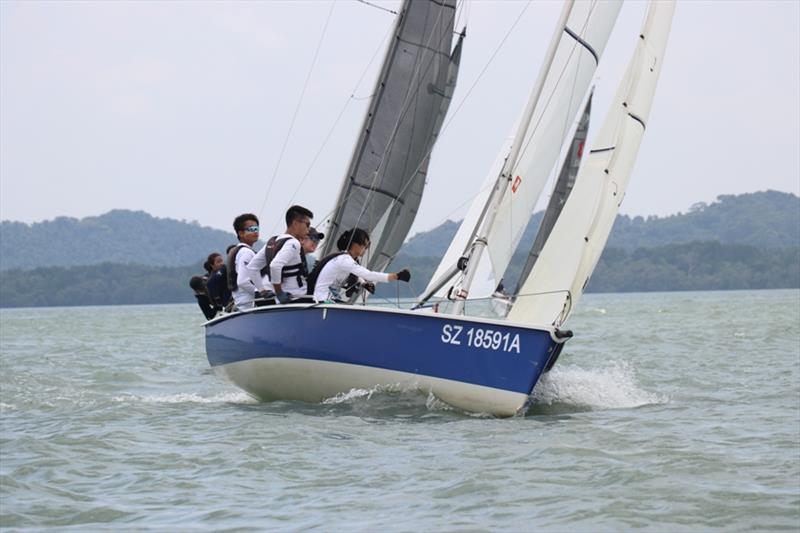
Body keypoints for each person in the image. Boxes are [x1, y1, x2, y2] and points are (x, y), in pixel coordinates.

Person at [308, 228, 410, 302]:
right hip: (322, 300)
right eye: (365, 245)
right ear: (355, 244)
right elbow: (368, 275)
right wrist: (396, 276)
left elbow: (355, 274)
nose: (365, 249)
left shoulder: (347, 259)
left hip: (330, 299)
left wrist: (364, 283)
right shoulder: (344, 259)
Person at [247, 205, 316, 304]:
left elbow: (252, 267)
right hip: (293, 300)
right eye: (307, 224)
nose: (308, 229)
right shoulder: (294, 243)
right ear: (296, 224)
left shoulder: (272, 241)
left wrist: (262, 291)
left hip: (270, 302)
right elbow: (275, 265)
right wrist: (279, 293)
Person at [226, 213, 266, 310]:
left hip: (242, 304)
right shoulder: (246, 252)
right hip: (248, 306)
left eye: (256, 229)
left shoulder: (238, 250)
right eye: (251, 229)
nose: (255, 232)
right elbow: (243, 281)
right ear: (241, 233)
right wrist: (262, 293)